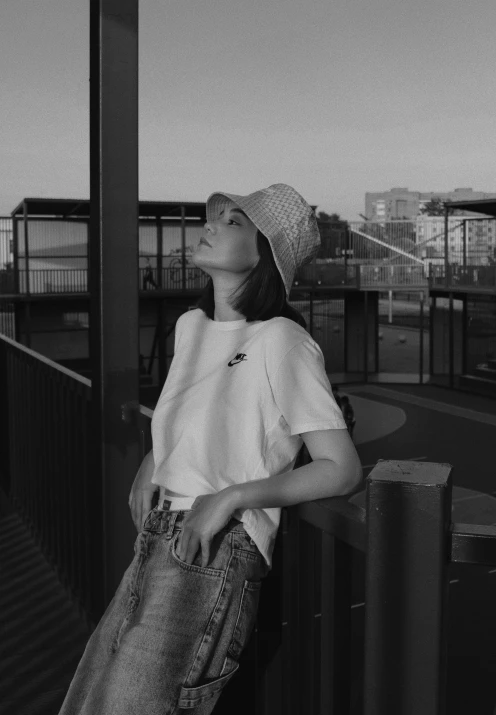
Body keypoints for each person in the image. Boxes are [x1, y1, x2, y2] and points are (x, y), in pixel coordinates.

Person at [58, 183, 363, 715]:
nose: (211, 225)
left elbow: (340, 469)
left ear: (264, 255)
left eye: (234, 222)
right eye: (214, 217)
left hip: (217, 544)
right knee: (87, 701)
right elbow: (194, 411)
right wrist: (156, 461)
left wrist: (229, 499)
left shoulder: (280, 339)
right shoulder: (191, 326)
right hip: (157, 535)